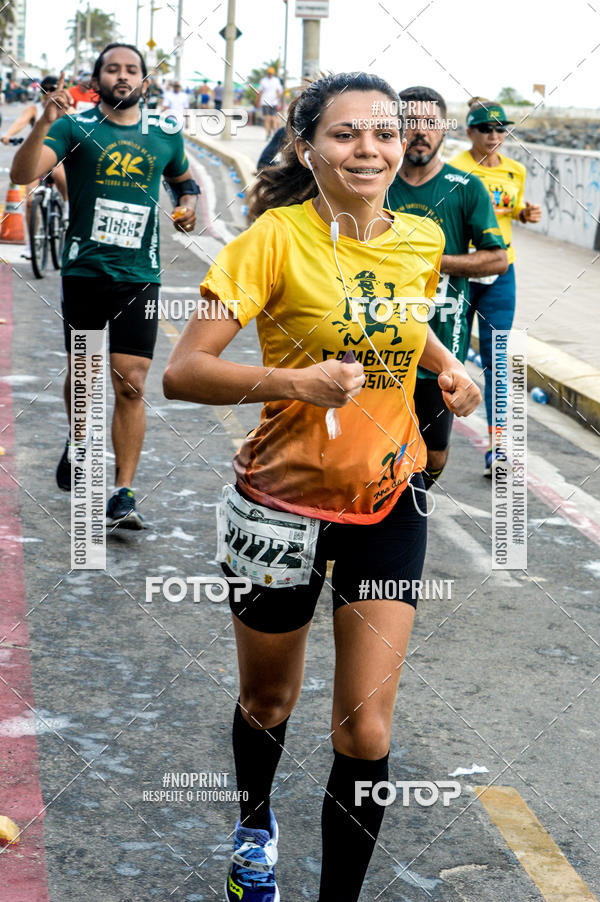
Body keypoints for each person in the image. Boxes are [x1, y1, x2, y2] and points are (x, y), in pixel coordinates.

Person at [163, 72, 481, 902]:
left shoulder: (414, 239)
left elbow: (401, 330)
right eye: (345, 134)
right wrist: (295, 384)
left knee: (366, 726)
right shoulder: (271, 241)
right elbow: (185, 373)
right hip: (280, 504)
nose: (369, 148)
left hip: (388, 495)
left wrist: (451, 369)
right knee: (269, 701)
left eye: (383, 132)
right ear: (307, 147)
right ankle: (254, 823)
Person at [10, 43, 199, 528]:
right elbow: (22, 173)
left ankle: (122, 492)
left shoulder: (165, 133)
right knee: (86, 376)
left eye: (131, 69)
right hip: (86, 272)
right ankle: (78, 443)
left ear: (145, 81)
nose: (122, 75)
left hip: (141, 275)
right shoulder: (74, 128)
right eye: (112, 69)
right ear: (97, 80)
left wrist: (188, 205)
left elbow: (184, 181)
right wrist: (42, 121)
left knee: (132, 384)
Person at [387, 86, 508, 488]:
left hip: (442, 343)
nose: (420, 131)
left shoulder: (466, 186)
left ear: (443, 129)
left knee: (434, 450)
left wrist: (428, 260)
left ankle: (415, 495)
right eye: (410, 122)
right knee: (371, 443)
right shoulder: (374, 184)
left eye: (430, 123)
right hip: (380, 337)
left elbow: (496, 258)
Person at [451, 99, 541, 474]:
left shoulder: (515, 171)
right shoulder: (453, 169)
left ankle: (499, 448)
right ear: (469, 131)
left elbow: (509, 209)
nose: (494, 135)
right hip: (459, 274)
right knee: (447, 361)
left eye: (501, 128)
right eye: (485, 128)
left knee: (498, 362)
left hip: (501, 275)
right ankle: (422, 442)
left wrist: (523, 213)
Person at [2, 75, 68, 258]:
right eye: (45, 90)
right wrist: (8, 135)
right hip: (37, 159)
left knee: (60, 173)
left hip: (57, 157)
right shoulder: (34, 109)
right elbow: (21, 122)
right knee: (30, 201)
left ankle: (68, 211)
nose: (48, 94)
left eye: (52, 90)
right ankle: (31, 246)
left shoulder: (64, 108)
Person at [256, 66, 282, 139]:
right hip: (265, 102)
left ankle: (274, 134)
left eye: (271, 73)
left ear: (273, 74)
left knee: (273, 118)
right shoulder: (263, 80)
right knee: (267, 119)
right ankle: (267, 134)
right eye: (269, 73)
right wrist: (258, 101)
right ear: (267, 73)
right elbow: (260, 92)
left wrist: (279, 101)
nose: (270, 74)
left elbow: (279, 91)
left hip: (274, 102)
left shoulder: (276, 80)